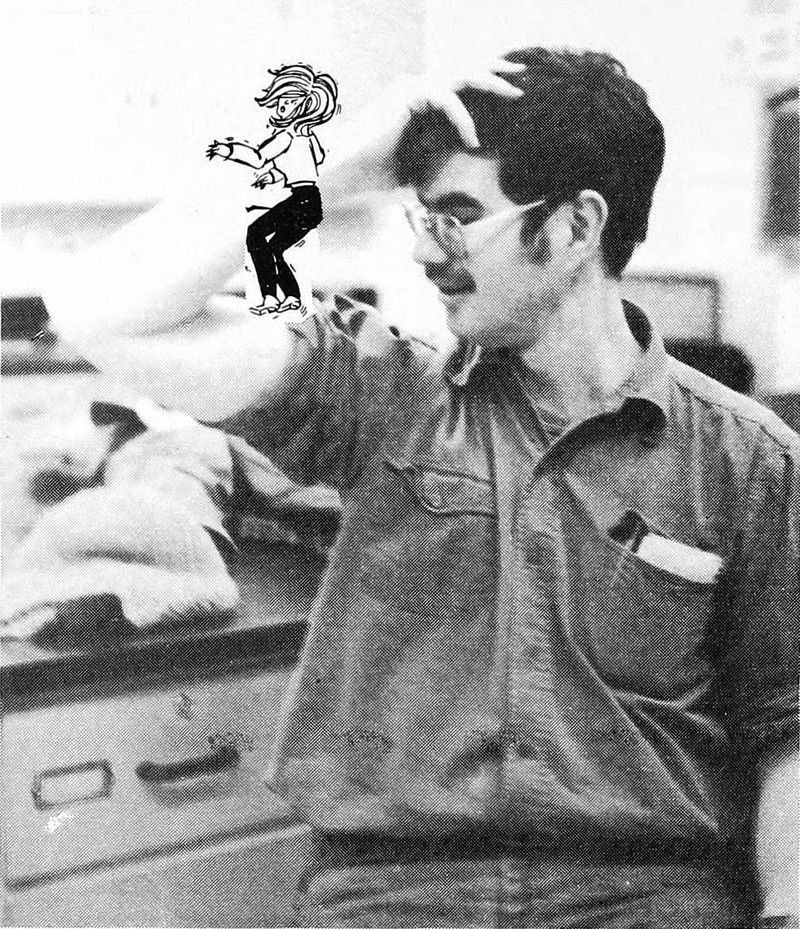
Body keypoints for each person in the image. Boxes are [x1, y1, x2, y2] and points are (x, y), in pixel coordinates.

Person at [45, 48, 797, 928]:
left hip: (644, 895)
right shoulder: (381, 389)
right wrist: (331, 166)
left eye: (457, 217)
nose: (423, 249)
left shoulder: (746, 459)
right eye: (421, 216)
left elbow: (789, 724)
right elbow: (94, 313)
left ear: (574, 227)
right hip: (399, 893)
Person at [206, 63, 339, 315]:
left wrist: (229, 150)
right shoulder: (308, 138)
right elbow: (307, 168)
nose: (281, 107)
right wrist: (275, 175)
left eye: (288, 102)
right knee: (274, 247)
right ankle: (290, 297)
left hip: (301, 201)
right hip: (310, 201)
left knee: (256, 235)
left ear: (304, 105)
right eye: (280, 102)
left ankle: (271, 297)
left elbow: (258, 157)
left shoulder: (287, 137)